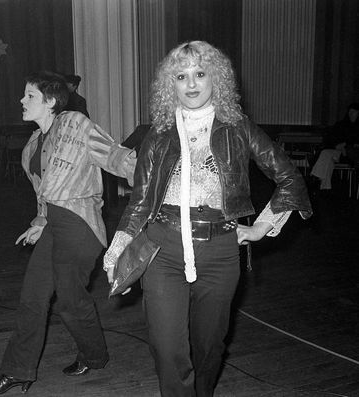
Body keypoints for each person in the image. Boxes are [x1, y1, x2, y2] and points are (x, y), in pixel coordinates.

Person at [103, 41, 312, 397]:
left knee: (209, 348)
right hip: (162, 248)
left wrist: (262, 226)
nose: (192, 83)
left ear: (217, 79)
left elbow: (289, 177)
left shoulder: (237, 126)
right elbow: (139, 200)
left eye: (200, 73)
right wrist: (117, 247)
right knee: (168, 350)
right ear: (171, 85)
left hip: (220, 250)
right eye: (181, 76)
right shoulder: (159, 134)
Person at [0, 72, 136, 394]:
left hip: (80, 224)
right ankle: (17, 370)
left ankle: (94, 356)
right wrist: (39, 222)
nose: (21, 101)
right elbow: (43, 193)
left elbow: (116, 155)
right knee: (32, 298)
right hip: (54, 224)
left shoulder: (75, 124)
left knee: (70, 302)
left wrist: (160, 178)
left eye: (30, 96)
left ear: (50, 101)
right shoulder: (32, 145)